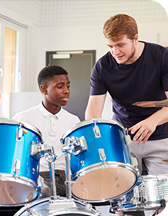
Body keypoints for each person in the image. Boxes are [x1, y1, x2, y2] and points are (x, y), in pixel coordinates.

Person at [85, 14, 168, 216]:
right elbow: (92, 111)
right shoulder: (103, 66)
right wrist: (96, 138)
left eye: (120, 45)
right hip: (123, 140)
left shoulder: (162, 57)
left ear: (135, 38)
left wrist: (152, 121)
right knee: (122, 204)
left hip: (161, 137)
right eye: (110, 46)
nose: (115, 52)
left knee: (163, 203)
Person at [13, 65, 80, 197]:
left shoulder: (73, 120)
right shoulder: (23, 118)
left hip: (67, 178)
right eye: (60, 87)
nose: (66, 91)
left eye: (68, 86)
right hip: (38, 177)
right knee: (46, 194)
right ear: (44, 90)